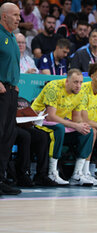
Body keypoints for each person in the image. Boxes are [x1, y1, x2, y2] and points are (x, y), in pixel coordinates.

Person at [31, 69, 94, 186]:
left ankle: (77, 174)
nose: (79, 86)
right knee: (58, 129)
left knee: (88, 131)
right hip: (38, 119)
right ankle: (52, 173)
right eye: (75, 82)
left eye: (80, 82)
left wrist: (82, 125)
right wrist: (75, 125)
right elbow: (50, 116)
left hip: (57, 121)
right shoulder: (53, 87)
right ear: (67, 81)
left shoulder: (80, 93)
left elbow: (76, 118)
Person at [0, 2, 22, 195]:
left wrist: (15, 84)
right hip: (0, 92)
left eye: (19, 15)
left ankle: (1, 178)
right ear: (4, 16)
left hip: (11, 92)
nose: (18, 18)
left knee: (7, 137)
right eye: (15, 15)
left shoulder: (13, 38)